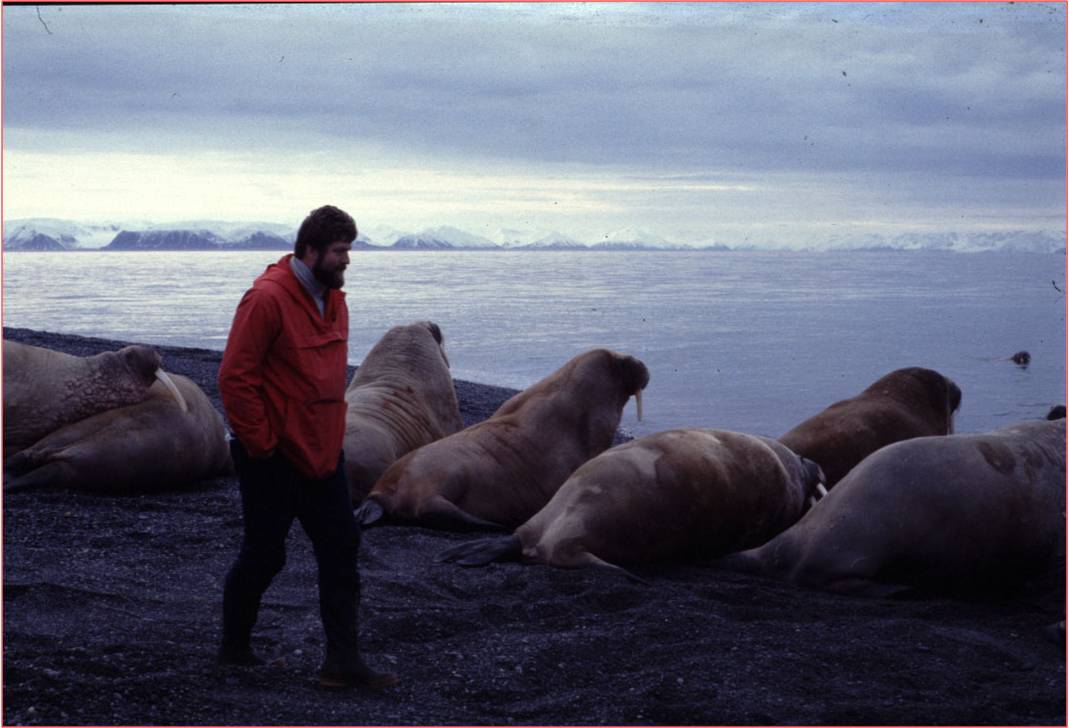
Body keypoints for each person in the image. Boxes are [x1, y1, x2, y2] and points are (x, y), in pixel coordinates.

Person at [217, 204, 397, 690]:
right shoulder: (266, 300)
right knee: (264, 554)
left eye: (349, 251)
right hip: (273, 456)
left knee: (341, 548)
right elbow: (235, 378)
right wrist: (261, 444)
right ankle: (233, 650)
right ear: (311, 250)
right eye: (340, 252)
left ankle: (342, 662)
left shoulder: (334, 299)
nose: (347, 261)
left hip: (323, 452)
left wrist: (328, 438)